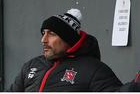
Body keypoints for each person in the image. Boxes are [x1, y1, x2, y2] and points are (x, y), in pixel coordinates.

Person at [7, 8, 139, 92]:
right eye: (43, 33)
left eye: (51, 34)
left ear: (68, 39)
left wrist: (133, 88)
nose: (44, 40)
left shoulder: (93, 69)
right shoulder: (31, 66)